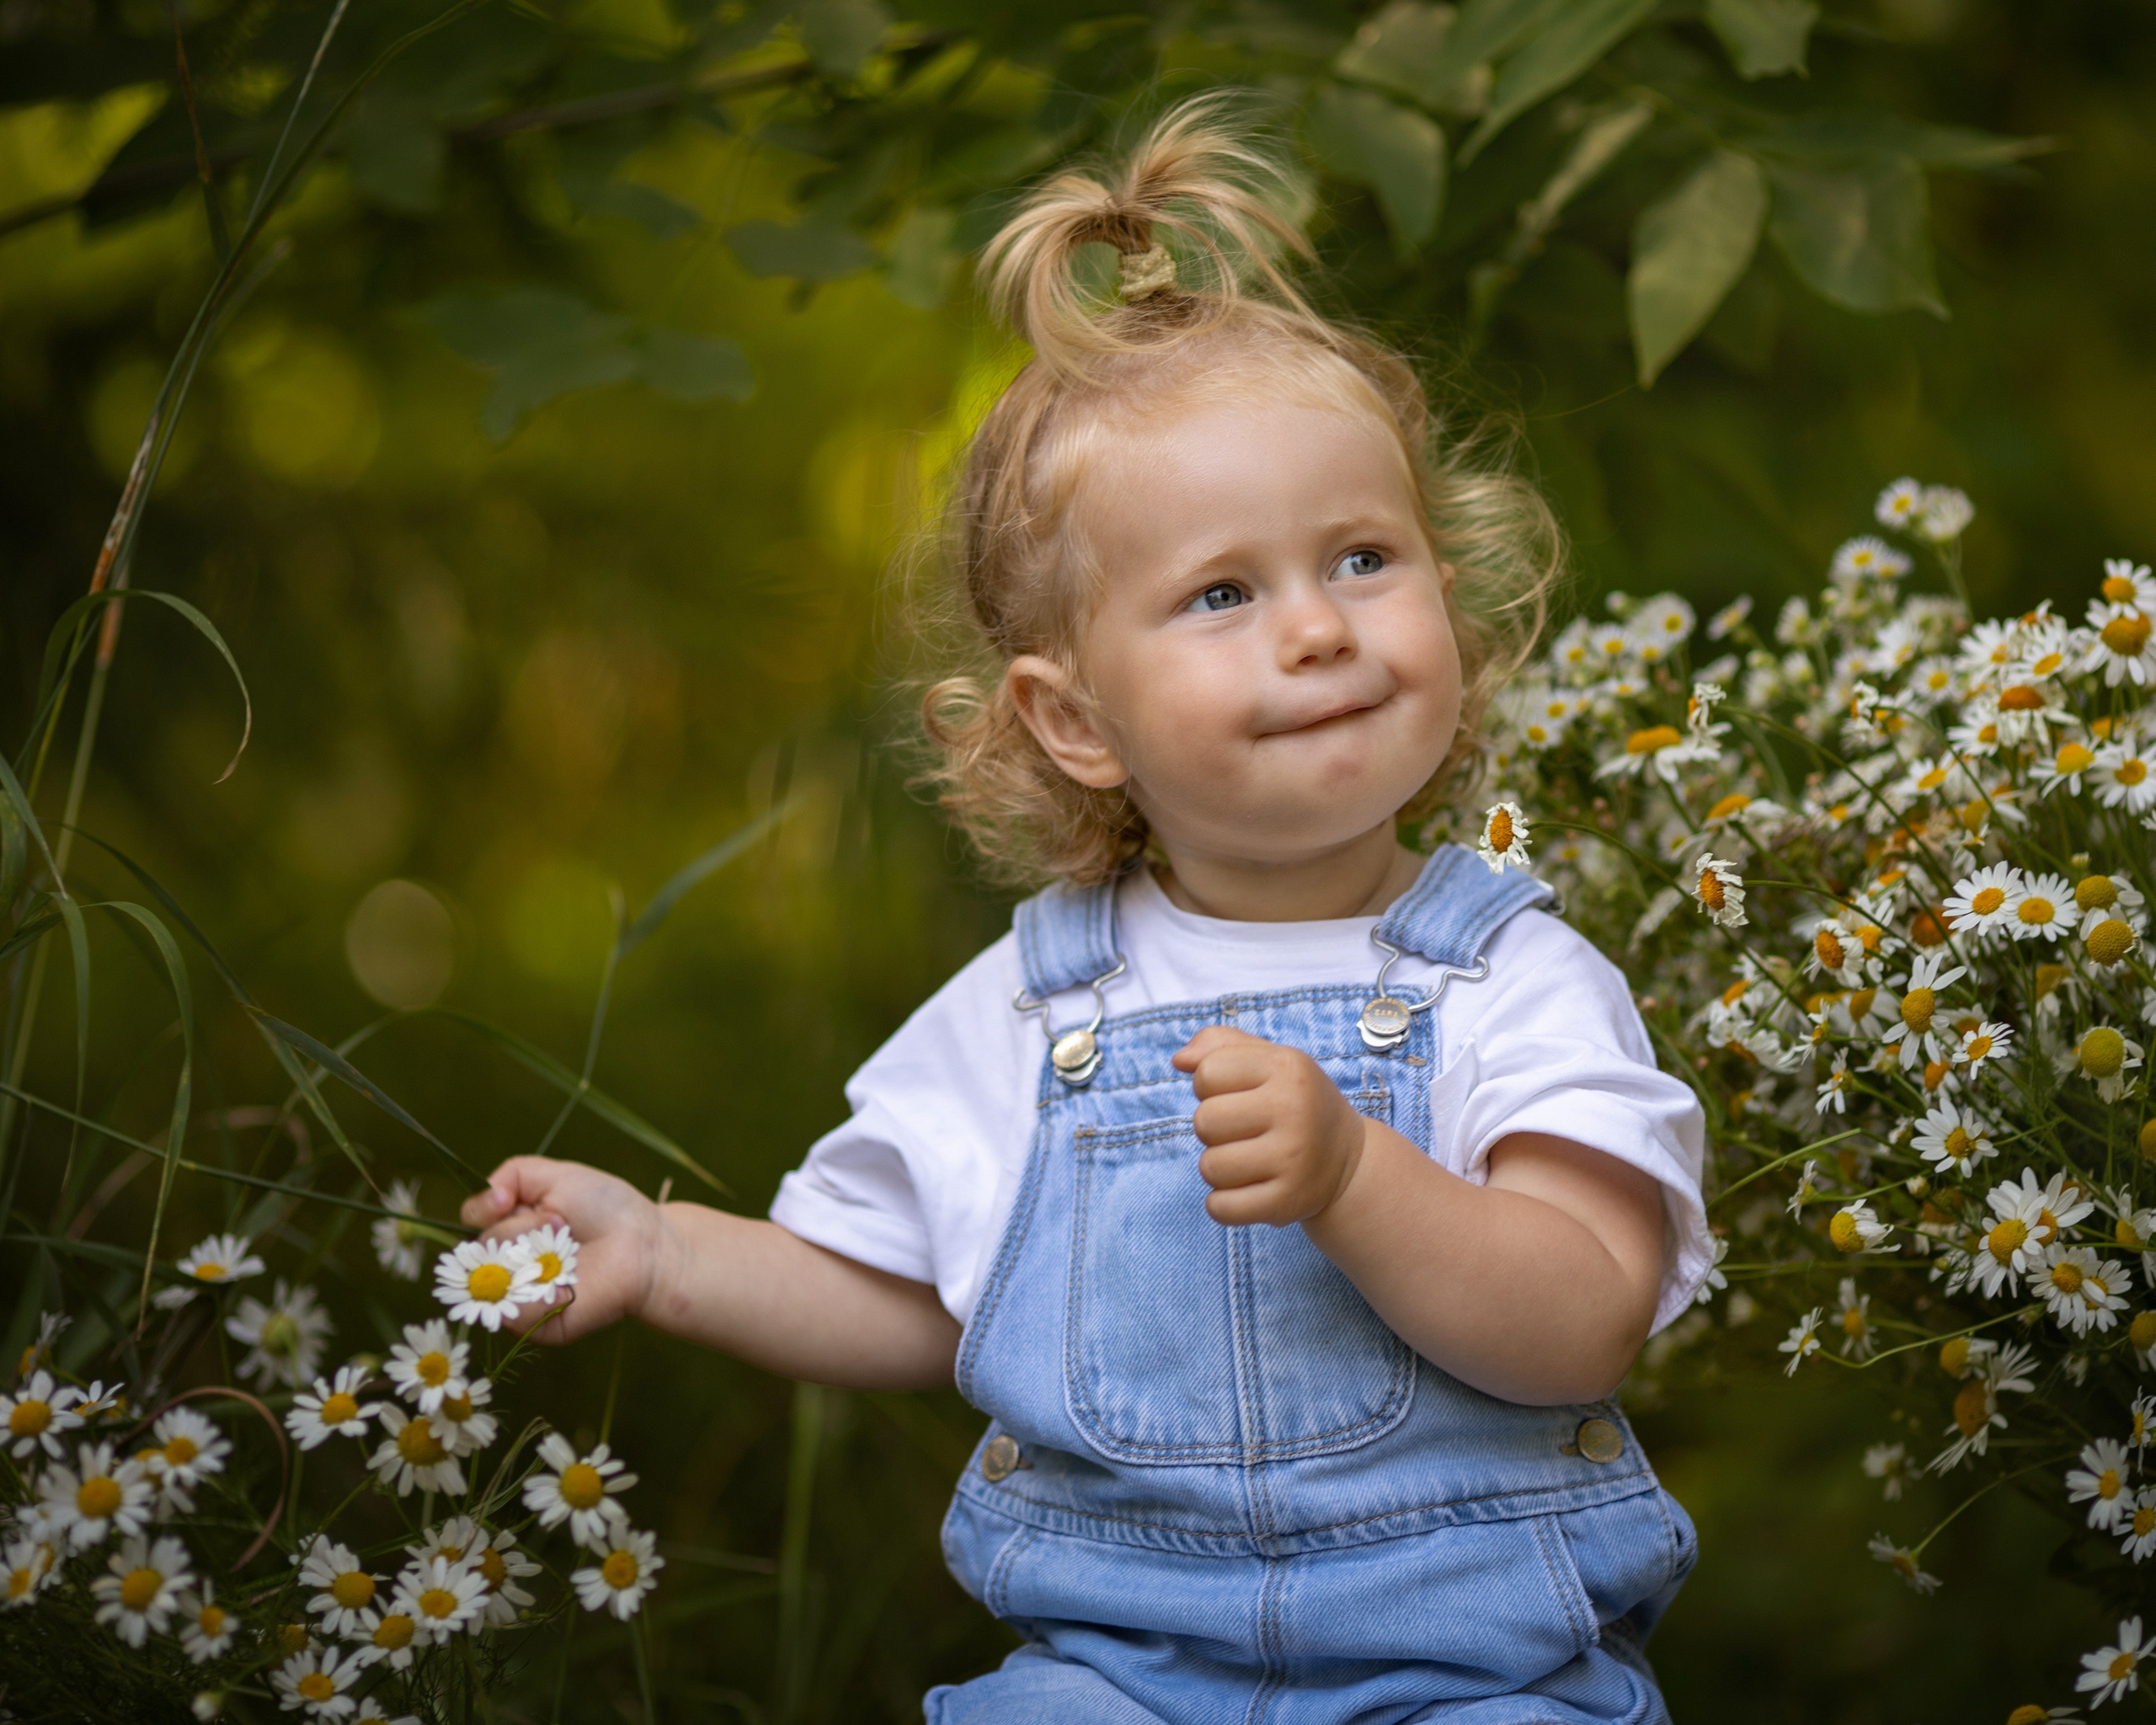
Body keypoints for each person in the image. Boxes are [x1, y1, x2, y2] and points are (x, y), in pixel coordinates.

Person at [463, 98, 1709, 1724]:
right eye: (1223, 593)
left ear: (1448, 598)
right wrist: (664, 1249)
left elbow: (1582, 1320)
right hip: (1122, 1668)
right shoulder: (1043, 1002)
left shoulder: (1510, 976)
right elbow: (918, 1293)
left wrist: (1355, 1177)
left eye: (1361, 559)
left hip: (1471, 1664)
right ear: (1074, 719)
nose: (1318, 630)